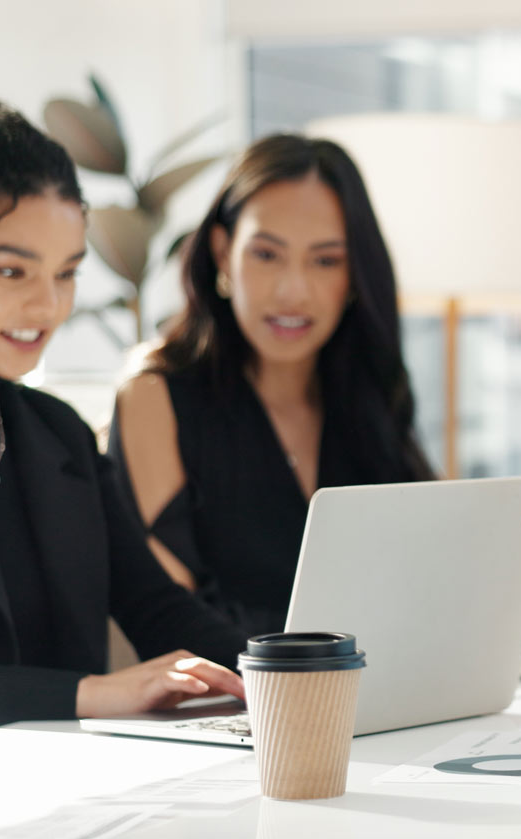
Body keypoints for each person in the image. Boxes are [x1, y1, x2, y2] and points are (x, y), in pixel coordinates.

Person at [0, 82, 246, 738]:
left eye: (66, 273)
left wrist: (284, 672)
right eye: (11, 271)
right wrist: (91, 694)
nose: (48, 306)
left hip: (77, 797)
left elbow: (155, 606)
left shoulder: (56, 432)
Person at [110, 135, 435, 637]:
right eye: (266, 254)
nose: (292, 291)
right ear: (223, 253)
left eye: (325, 261)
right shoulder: (154, 395)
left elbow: (420, 581)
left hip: (383, 693)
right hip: (236, 700)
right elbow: (173, 617)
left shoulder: (366, 392)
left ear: (354, 277)